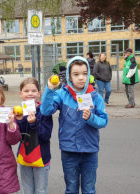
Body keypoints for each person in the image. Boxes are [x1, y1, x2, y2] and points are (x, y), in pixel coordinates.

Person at [40, 56, 108, 194]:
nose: (81, 77)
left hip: (90, 150)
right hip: (69, 149)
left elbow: (103, 121)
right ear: (69, 77)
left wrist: (91, 118)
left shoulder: (95, 97)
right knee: (71, 188)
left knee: (89, 189)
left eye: (84, 73)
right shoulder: (61, 94)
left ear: (88, 74)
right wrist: (49, 89)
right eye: (76, 74)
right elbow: (46, 110)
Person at [15, 77, 53, 194]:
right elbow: (19, 136)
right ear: (20, 94)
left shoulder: (44, 111)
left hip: (41, 157)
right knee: (27, 190)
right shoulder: (19, 111)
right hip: (25, 157)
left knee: (40, 190)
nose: (30, 93)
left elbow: (45, 136)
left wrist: (34, 123)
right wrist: (19, 120)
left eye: (33, 91)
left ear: (39, 93)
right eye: (26, 91)